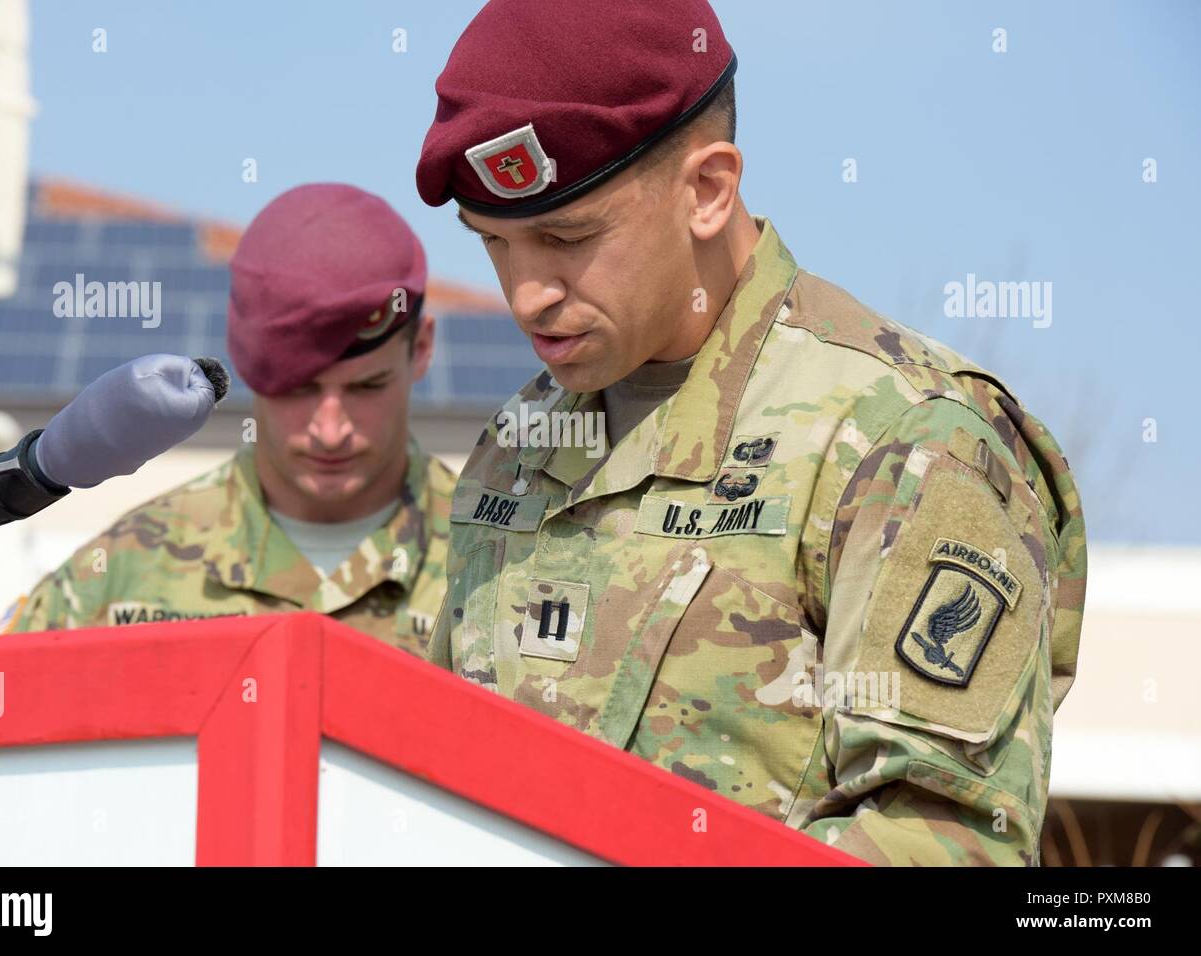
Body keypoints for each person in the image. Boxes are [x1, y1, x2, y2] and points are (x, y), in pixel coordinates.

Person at [415, 0, 1086, 863]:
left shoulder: (904, 438)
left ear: (706, 190)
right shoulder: (518, 447)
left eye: (564, 237)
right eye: (494, 244)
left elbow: (945, 838)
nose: (525, 295)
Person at [2, 184, 456, 657]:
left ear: (421, 348)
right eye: (297, 389)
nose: (330, 429)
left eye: (367, 386)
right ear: (243, 359)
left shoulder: (500, 567)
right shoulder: (125, 568)